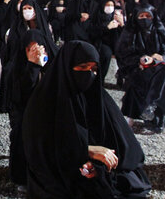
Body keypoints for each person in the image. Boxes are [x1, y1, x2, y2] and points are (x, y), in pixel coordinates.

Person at [22, 41, 151, 198]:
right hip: (56, 174)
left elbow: (131, 151)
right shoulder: (44, 101)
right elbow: (40, 150)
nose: (89, 74)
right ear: (66, 67)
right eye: (82, 67)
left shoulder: (99, 98)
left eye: (94, 69)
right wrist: (85, 151)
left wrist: (99, 167)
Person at [8, 29, 56, 189]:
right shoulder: (17, 66)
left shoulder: (54, 65)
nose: (36, 52)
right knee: (22, 130)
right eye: (30, 49)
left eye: (39, 47)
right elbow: (20, 95)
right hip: (25, 109)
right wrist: (33, 66)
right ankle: (21, 177)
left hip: (50, 108)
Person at [117, 5, 165, 133]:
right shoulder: (130, 32)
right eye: (141, 16)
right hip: (136, 67)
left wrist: (158, 58)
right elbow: (122, 53)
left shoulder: (159, 31)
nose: (145, 19)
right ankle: (149, 109)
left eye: (148, 16)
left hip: (159, 67)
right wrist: (139, 60)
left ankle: (154, 112)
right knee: (149, 76)